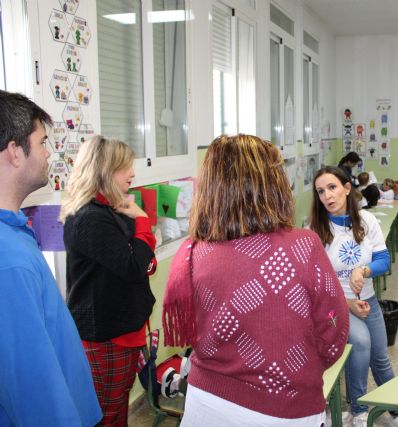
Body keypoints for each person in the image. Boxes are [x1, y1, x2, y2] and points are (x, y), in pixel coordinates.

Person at [163, 134, 349, 426]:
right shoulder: (303, 247)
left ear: (210, 188)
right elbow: (334, 329)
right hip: (286, 408)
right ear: (272, 185)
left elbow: (191, 331)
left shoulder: (192, 251)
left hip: (205, 402)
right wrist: (301, 369)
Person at [0, 90, 102, 426]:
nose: (47, 153)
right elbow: (31, 386)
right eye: (42, 142)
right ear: (15, 152)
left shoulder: (14, 232)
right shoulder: (9, 260)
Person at [61, 136, 157, 427]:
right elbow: (132, 264)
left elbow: (142, 262)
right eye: (125, 167)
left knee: (117, 406)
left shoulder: (111, 209)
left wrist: (142, 251)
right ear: (104, 171)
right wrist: (143, 221)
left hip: (122, 329)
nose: (132, 174)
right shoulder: (90, 218)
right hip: (107, 334)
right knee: (107, 411)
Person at [310, 166, 394, 427]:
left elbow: (384, 260)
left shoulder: (367, 221)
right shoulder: (315, 228)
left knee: (380, 357)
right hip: (335, 306)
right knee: (360, 343)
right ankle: (358, 408)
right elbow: (315, 282)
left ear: (347, 188)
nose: (327, 196)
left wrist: (364, 269)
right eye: (321, 191)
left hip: (367, 301)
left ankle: (397, 406)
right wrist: (347, 303)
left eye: (332, 187)